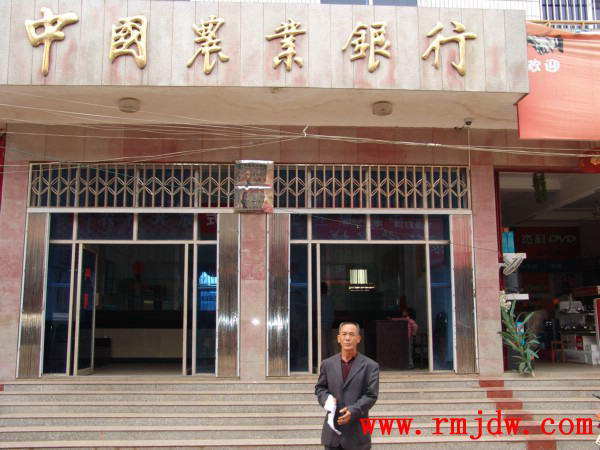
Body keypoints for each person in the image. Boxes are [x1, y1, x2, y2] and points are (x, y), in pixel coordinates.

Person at [315, 322, 379, 450]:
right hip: (333, 434)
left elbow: (371, 395)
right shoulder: (327, 364)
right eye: (344, 334)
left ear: (358, 338)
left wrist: (353, 410)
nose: (347, 338)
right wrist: (326, 399)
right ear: (338, 338)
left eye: (351, 334)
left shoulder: (370, 366)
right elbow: (320, 388)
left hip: (357, 435)